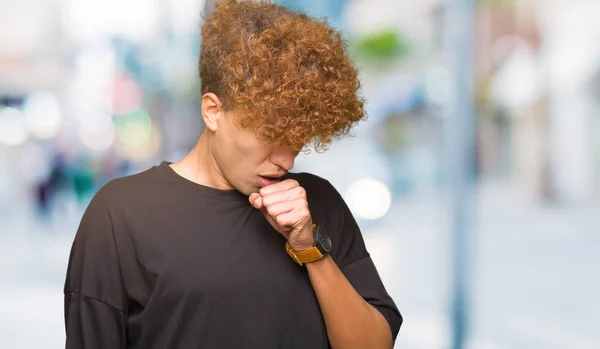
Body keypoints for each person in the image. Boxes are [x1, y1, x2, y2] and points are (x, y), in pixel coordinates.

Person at [63, 1, 402, 348]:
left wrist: (310, 248)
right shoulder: (121, 215)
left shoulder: (319, 203)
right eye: (271, 135)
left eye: (298, 139)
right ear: (213, 112)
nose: (287, 159)